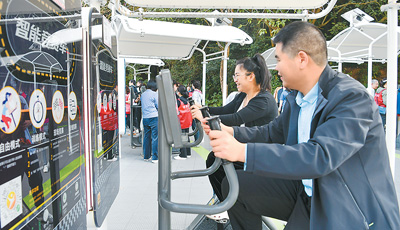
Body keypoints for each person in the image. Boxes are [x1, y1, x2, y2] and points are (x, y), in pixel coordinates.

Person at [204, 22, 400, 229]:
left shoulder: (351, 97)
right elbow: (273, 132)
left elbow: (320, 155)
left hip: (346, 207)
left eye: (279, 59)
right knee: (236, 186)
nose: (276, 67)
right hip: (308, 193)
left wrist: (244, 152)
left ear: (301, 58)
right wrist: (232, 132)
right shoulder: (298, 97)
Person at [191, 53, 278, 222]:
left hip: (260, 155)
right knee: (214, 159)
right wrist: (203, 109)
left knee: (218, 161)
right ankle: (226, 204)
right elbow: (225, 111)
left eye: (237, 75)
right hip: (246, 149)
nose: (235, 79)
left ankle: (228, 205)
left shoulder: (264, 100)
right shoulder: (242, 96)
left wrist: (204, 117)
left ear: (250, 76)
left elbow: (236, 119)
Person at [141, 80, 159, 163]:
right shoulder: (154, 94)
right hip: (154, 117)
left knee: (146, 137)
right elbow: (158, 105)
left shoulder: (143, 95)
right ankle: (155, 158)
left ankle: (146, 156)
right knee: (155, 138)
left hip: (145, 118)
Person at [174, 85, 193, 160]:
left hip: (181, 121)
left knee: (182, 137)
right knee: (187, 136)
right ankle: (188, 153)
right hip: (187, 121)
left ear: (179, 92)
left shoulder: (179, 101)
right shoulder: (187, 100)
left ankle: (183, 154)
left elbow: (175, 111)